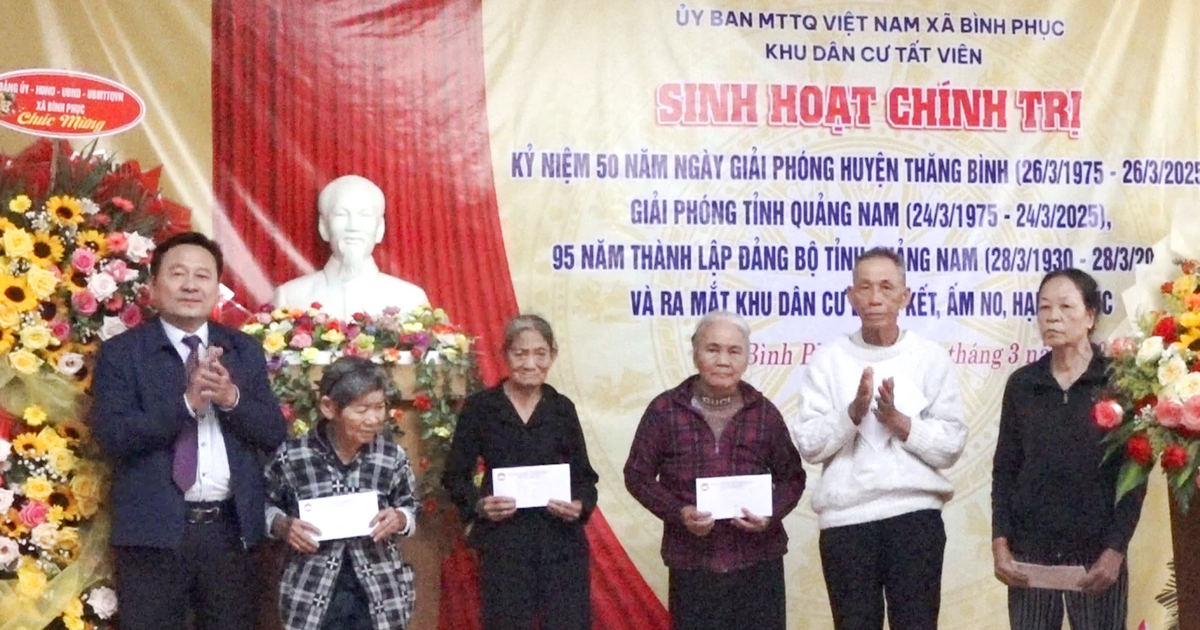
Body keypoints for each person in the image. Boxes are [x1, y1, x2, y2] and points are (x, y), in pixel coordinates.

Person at [91, 231, 287, 630]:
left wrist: (232, 398)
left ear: (218, 289)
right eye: (178, 274)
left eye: (203, 276)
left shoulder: (243, 349)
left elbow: (272, 433)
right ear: (153, 289)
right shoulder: (122, 354)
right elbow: (113, 437)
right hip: (153, 536)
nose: (191, 285)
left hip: (230, 534)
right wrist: (185, 406)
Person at [792, 247, 968, 630]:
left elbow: (952, 444)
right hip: (847, 524)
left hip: (915, 519)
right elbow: (808, 443)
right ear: (850, 296)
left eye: (887, 287)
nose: (875, 298)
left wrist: (900, 422)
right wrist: (852, 414)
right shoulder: (828, 360)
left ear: (905, 297)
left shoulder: (929, 357)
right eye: (865, 287)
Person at [624, 310, 806, 630]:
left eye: (734, 351)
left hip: (758, 564)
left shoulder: (764, 413)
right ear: (695, 354)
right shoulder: (665, 410)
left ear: (747, 358)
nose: (723, 360)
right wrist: (679, 512)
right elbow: (637, 475)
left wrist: (770, 513)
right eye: (713, 349)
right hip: (692, 564)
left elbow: (793, 477)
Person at [992, 269, 1145, 629]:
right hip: (1030, 555)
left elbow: (1134, 476)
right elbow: (1005, 470)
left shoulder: (1118, 383)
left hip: (1097, 555)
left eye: (1065, 306)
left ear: (1090, 316)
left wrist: (1115, 550)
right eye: (1044, 308)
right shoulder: (1023, 385)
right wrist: (1000, 543)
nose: (1053, 317)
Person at [442, 314, 599, 630]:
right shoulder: (481, 408)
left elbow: (585, 478)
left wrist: (579, 506)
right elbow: (454, 476)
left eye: (540, 353)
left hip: (561, 545)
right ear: (505, 355)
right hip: (505, 545)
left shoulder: (561, 408)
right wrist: (479, 504)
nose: (530, 363)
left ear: (552, 355)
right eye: (520, 353)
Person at [264, 356, 418, 630]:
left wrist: (400, 518)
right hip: (312, 590)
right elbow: (264, 505)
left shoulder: (391, 456)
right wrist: (282, 525)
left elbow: (410, 506)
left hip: (380, 590)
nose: (373, 419)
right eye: (361, 410)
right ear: (329, 407)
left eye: (380, 407)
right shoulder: (294, 455)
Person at [273, 175, 429, 319]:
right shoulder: (289, 298)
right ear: (323, 227)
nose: (353, 226)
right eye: (341, 215)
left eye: (364, 215)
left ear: (380, 228)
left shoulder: (412, 300)